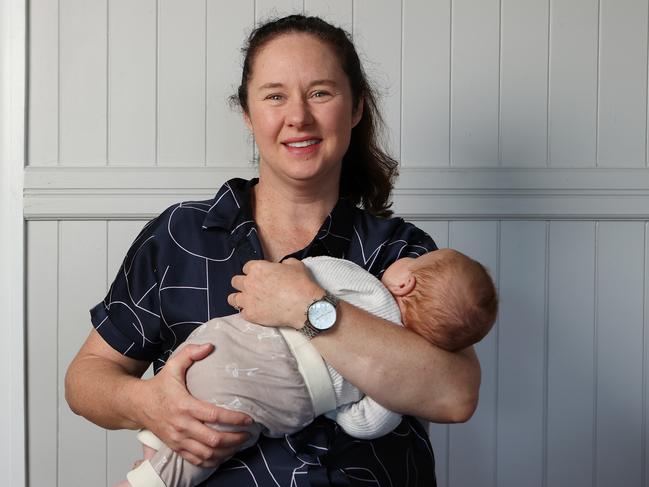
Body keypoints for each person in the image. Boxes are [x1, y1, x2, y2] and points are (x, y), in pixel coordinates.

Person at [65, 14, 481, 486]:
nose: (298, 116)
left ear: (357, 107)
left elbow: (455, 394)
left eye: (321, 92)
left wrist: (309, 310)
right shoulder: (181, 234)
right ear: (248, 112)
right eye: (275, 95)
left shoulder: (400, 254)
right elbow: (86, 378)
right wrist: (145, 402)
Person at [118, 250, 497, 487]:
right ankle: (151, 477)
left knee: (197, 391)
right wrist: (339, 403)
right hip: (274, 400)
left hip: (229, 343)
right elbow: (366, 423)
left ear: (404, 279)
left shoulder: (373, 279)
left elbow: (309, 272)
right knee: (209, 442)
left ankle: (153, 454)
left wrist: (301, 300)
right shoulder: (401, 365)